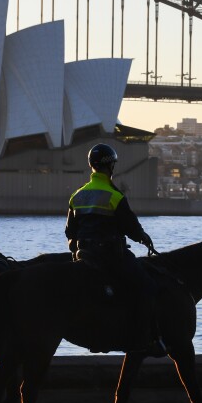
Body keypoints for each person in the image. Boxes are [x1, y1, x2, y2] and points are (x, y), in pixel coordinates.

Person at [65, 143, 160, 352]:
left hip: (84, 254)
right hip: (110, 256)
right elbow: (132, 228)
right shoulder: (114, 196)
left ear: (92, 165)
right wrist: (144, 238)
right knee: (148, 286)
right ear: (111, 167)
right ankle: (147, 338)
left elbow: (69, 233)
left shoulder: (77, 195)